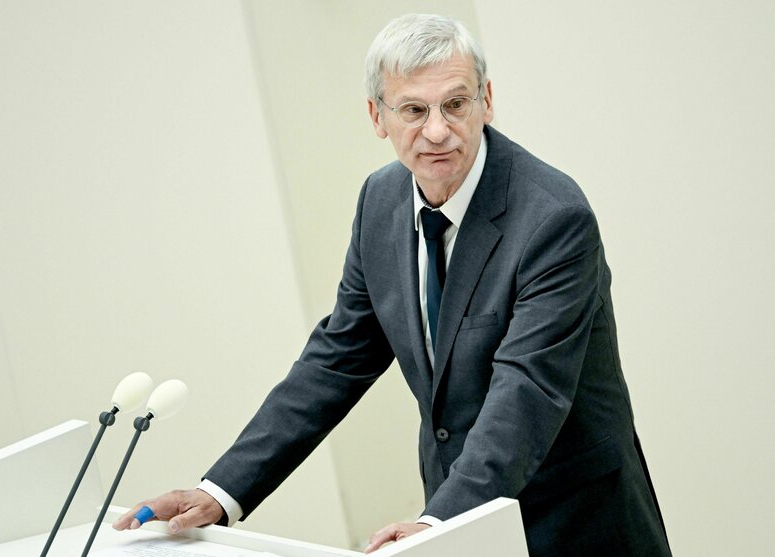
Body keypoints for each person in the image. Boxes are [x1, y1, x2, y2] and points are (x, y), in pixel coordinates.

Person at [114, 13, 672, 556]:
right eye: (413, 109)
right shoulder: (380, 203)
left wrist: (439, 522)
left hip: (573, 520)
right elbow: (337, 359)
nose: (437, 130)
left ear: (487, 101)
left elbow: (526, 391)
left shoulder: (553, 218)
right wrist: (221, 491)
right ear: (377, 116)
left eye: (455, 104)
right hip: (455, 512)